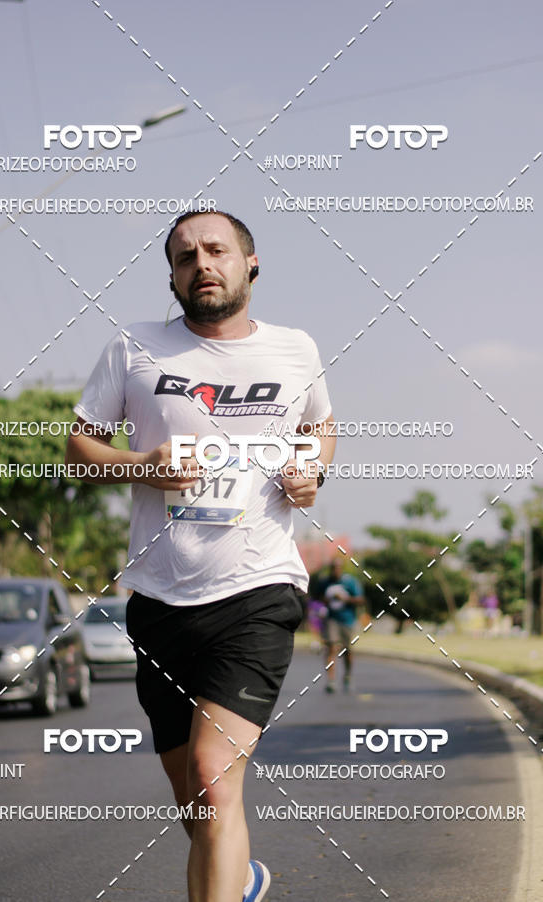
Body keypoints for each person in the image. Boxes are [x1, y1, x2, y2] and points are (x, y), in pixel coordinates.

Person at [65, 210, 336, 902]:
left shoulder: (294, 349)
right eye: (185, 257)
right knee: (196, 797)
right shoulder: (134, 347)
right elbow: (78, 451)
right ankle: (240, 879)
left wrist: (312, 468)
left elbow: (320, 426)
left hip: (258, 589)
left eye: (216, 250)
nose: (201, 264)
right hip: (160, 598)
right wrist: (141, 466)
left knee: (215, 781)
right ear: (172, 278)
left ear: (251, 264)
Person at [317, 558, 364, 692]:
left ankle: (348, 675)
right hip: (331, 619)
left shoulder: (350, 582)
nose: (335, 571)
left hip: (347, 620)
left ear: (341, 569)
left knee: (347, 650)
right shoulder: (325, 582)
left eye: (337, 568)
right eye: (333, 568)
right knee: (331, 647)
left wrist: (345, 599)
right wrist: (325, 600)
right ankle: (331, 680)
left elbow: (361, 600)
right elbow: (317, 597)